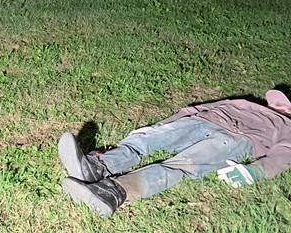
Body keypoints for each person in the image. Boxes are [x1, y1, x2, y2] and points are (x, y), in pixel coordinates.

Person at [58, 89, 291, 217]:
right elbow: (198, 108)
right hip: (204, 120)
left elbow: (285, 154)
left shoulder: (288, 126)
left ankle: (112, 192)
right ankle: (96, 167)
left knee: (183, 165)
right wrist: (162, 125)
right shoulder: (245, 103)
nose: (277, 105)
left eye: (284, 105)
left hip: (239, 139)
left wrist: (256, 171)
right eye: (277, 102)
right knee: (146, 140)